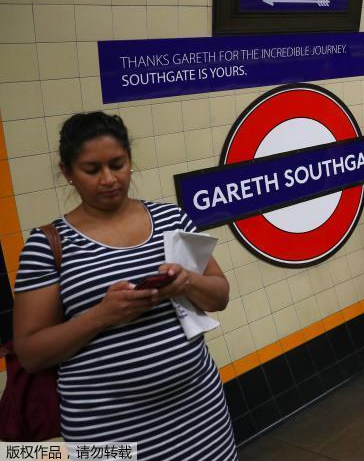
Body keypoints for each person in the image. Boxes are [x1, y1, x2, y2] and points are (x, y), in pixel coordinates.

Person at [13, 112, 236, 460]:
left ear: (131, 161)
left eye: (118, 164)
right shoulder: (48, 246)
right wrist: (101, 315)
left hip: (200, 415)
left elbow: (219, 295)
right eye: (92, 169)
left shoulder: (170, 219)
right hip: (106, 431)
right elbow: (30, 352)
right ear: (67, 173)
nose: (109, 179)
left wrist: (186, 281)